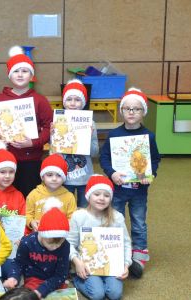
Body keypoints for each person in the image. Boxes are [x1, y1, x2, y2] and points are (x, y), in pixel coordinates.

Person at [99, 87, 160, 278]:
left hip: (139, 190)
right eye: (127, 109)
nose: (132, 112)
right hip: (117, 188)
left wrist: (151, 174)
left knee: (139, 222)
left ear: (143, 112)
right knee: (115, 220)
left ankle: (139, 257)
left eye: (136, 109)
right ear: (122, 111)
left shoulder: (148, 136)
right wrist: (111, 173)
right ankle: (115, 253)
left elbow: (155, 159)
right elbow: (104, 157)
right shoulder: (114, 135)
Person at [0, 46, 52, 197]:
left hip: (31, 160)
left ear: (31, 75)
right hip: (6, 159)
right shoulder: (0, 99)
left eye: (24, 71)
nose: (20, 75)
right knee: (5, 198)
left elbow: (49, 127)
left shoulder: (40, 100)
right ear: (9, 74)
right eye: (16, 71)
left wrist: (34, 142)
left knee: (29, 197)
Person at [67, 175, 131, 300]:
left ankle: (99, 282)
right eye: (97, 194)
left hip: (111, 265)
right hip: (87, 264)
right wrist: (77, 262)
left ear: (110, 198)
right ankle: (76, 279)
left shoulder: (117, 217)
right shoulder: (78, 216)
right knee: (97, 295)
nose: (102, 198)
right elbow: (69, 243)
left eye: (106, 195)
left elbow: (126, 243)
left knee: (115, 294)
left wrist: (126, 265)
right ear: (88, 196)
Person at [3, 204, 71, 299]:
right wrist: (13, 277)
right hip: (34, 279)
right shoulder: (27, 242)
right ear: (41, 233)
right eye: (50, 243)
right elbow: (18, 263)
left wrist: (42, 290)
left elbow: (61, 274)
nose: (55, 247)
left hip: (55, 280)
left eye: (59, 244)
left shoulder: (65, 245)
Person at [57, 79, 99, 208]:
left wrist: (88, 136)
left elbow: (95, 152)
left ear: (83, 102)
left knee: (85, 211)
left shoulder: (90, 123)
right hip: (64, 177)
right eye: (69, 99)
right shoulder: (58, 122)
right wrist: (54, 135)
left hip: (85, 178)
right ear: (64, 102)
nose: (73, 103)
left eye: (77, 99)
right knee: (66, 210)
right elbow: (54, 153)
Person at [26, 154, 76, 234]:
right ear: (42, 177)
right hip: (38, 235)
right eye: (49, 175)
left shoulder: (69, 196)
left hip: (61, 236)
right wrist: (31, 222)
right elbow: (27, 214)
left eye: (59, 175)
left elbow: (72, 218)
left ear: (64, 178)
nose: (54, 179)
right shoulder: (34, 194)